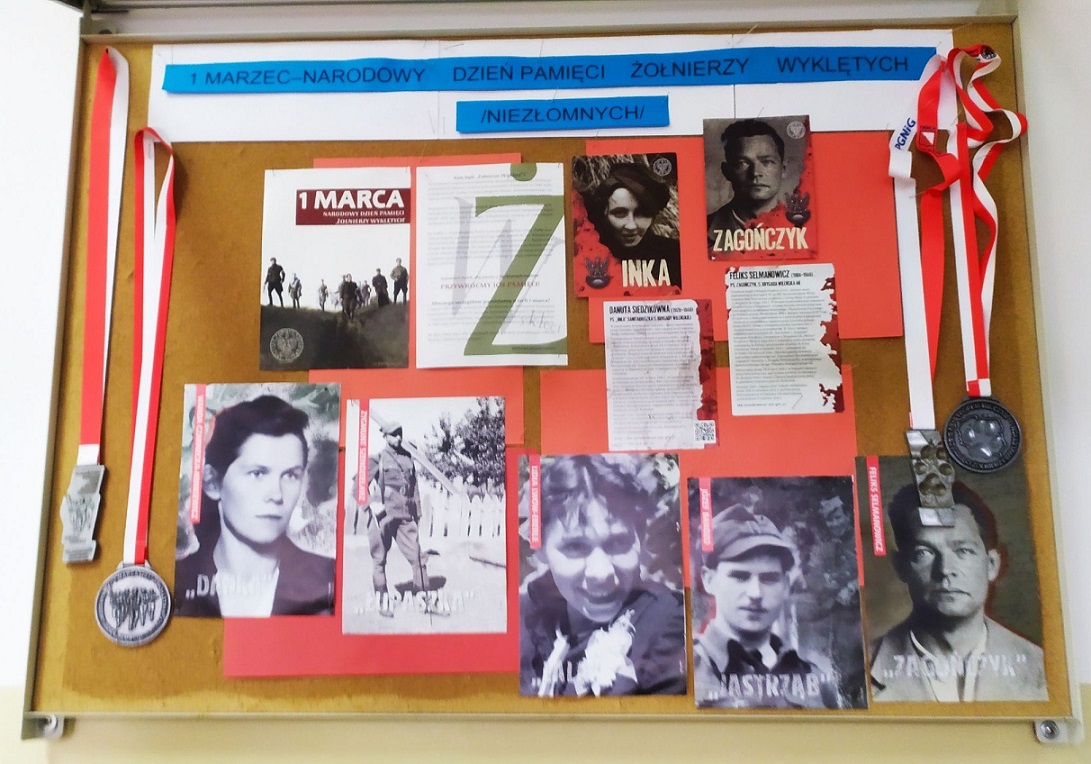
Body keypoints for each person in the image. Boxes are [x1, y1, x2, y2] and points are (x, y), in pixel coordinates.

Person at [519, 455, 686, 697]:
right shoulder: (528, 621)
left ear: (640, 538)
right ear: (540, 549)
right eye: (575, 546)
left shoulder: (668, 626)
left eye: (618, 542)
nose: (601, 572)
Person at [870, 483, 1047, 702]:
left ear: (992, 564)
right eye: (924, 552)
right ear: (901, 567)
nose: (945, 570)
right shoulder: (859, 670)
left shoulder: (1042, 668)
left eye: (963, 551)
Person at [175, 395, 335, 617]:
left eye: (290, 475)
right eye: (257, 473)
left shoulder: (330, 579)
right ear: (213, 483)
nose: (276, 495)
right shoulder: (177, 580)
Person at [693, 503, 838, 709]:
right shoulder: (688, 670)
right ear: (709, 580)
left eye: (769, 579)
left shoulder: (815, 679)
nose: (756, 593)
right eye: (740, 577)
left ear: (786, 585)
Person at [367, 420, 443, 617]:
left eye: (400, 433)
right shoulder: (378, 459)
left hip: (405, 515)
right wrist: (370, 505)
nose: (398, 437)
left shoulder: (408, 459)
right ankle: (383, 602)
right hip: (383, 516)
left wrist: (417, 513)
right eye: (394, 434)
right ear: (385, 436)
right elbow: (358, 486)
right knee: (379, 560)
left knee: (418, 558)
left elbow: (414, 487)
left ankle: (425, 600)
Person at [582, 163, 681, 289]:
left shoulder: (674, 255)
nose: (631, 226)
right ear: (605, 212)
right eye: (620, 213)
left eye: (642, 214)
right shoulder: (587, 253)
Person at [706, 119, 789, 243]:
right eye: (742, 163)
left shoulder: (805, 226)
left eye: (767, 162)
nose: (755, 172)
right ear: (727, 171)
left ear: (783, 169)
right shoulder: (703, 229)